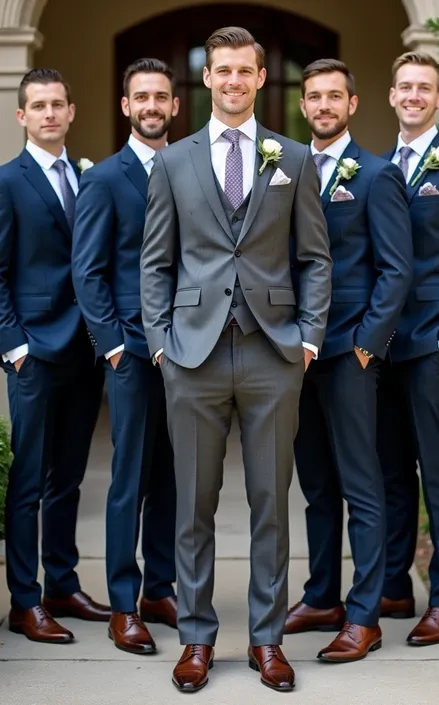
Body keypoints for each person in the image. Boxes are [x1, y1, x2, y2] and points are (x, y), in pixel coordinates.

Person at [140, 26, 331, 693]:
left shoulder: (294, 159)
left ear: (257, 77)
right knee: (192, 504)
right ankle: (196, 637)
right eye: (220, 70)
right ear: (208, 78)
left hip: (272, 352)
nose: (232, 81)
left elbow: (314, 257)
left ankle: (267, 638)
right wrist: (161, 341)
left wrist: (308, 336)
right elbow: (155, 261)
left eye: (244, 71)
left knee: (269, 503)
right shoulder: (173, 162)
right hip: (190, 354)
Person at [284, 59, 412, 663]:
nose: (324, 105)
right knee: (315, 484)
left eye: (335, 96)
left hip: (350, 352)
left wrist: (368, 343)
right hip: (296, 354)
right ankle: (322, 596)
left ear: (353, 104)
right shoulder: (282, 169)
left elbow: (396, 269)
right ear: (303, 106)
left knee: (363, 486)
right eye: (314, 97)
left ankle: (365, 614)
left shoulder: (377, 176)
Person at [72, 58, 179, 654]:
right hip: (132, 350)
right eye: (142, 97)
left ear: (173, 105)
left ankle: (160, 588)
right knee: (129, 479)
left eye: (161, 97)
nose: (152, 106)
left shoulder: (190, 168)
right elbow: (88, 272)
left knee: (170, 475)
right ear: (126, 107)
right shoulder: (105, 179)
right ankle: (122, 602)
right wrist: (111, 345)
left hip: (185, 349)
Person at [0, 68, 109, 644]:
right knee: (29, 482)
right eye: (37, 106)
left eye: (57, 105)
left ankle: (62, 585)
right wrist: (14, 346)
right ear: (22, 116)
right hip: (35, 353)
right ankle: (24, 601)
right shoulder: (7, 182)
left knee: (68, 478)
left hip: (83, 352)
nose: (48, 114)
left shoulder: (87, 177)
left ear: (71, 113)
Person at [378, 51, 439, 646]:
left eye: (424, 88)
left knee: (437, 473)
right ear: (391, 96)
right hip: (382, 346)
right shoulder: (376, 166)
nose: (413, 95)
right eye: (405, 87)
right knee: (388, 471)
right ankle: (392, 584)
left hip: (432, 343)